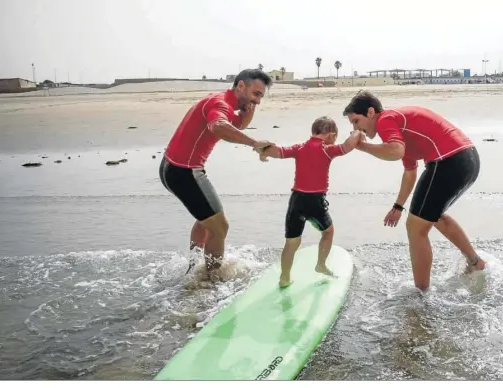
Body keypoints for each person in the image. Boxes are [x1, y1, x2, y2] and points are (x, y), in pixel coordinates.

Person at [343, 90, 485, 291]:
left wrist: (362, 147)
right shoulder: (398, 129)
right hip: (467, 159)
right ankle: (475, 262)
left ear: (371, 112)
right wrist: (398, 206)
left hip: (449, 161)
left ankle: (421, 294)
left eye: (356, 121)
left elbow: (395, 151)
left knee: (415, 227)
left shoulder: (386, 120)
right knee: (432, 216)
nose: (356, 128)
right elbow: (410, 172)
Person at [159, 69, 273, 273]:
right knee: (220, 228)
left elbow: (238, 124)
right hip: (185, 172)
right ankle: (210, 281)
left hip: (171, 167)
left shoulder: (225, 102)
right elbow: (218, 126)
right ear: (240, 86)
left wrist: (250, 108)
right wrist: (254, 143)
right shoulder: (220, 104)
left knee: (206, 220)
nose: (258, 101)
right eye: (256, 94)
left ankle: (194, 269)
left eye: (261, 96)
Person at [258, 117, 362, 287]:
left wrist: (263, 151)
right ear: (331, 135)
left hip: (297, 201)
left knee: (292, 242)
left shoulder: (299, 148)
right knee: (328, 232)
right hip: (315, 202)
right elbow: (347, 146)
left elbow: (279, 151)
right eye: (334, 137)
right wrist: (358, 132)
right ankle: (320, 265)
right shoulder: (327, 149)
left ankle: (284, 278)